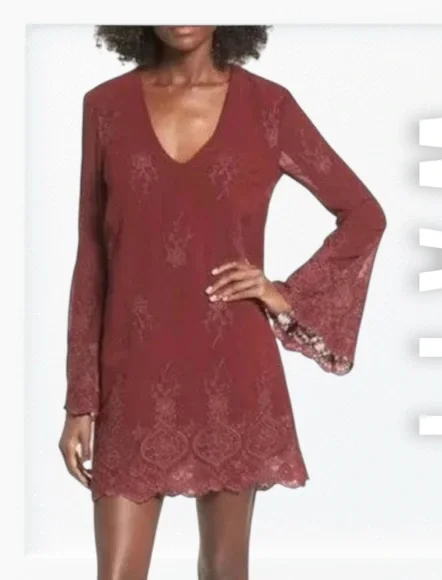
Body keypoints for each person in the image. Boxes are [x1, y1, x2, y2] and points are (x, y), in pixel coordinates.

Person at [58, 25, 387, 580]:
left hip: (231, 368)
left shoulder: (268, 107)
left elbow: (363, 215)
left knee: (223, 568)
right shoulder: (105, 106)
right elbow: (92, 257)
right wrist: (79, 399)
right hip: (131, 371)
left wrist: (281, 293)